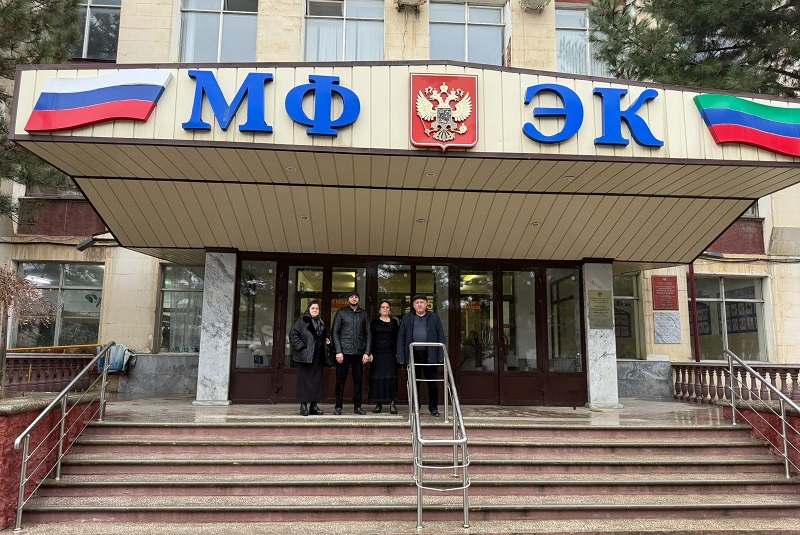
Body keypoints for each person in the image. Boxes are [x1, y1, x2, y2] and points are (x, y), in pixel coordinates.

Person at [396, 294, 446, 417]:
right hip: (413, 355)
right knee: (414, 382)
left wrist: (441, 355)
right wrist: (401, 357)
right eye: (417, 302)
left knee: (432, 383)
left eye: (422, 302)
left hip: (430, 354)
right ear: (413, 305)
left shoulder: (434, 317)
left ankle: (433, 408)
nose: (419, 304)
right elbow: (401, 338)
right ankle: (415, 407)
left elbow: (441, 336)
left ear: (426, 304)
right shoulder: (407, 318)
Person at [331, 290, 372, 415]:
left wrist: (367, 352)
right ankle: (338, 406)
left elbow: (368, 334)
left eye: (356, 297)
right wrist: (338, 351)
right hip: (343, 353)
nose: (354, 299)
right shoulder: (341, 312)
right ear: (348, 299)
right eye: (352, 297)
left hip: (359, 353)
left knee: (358, 381)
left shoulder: (364, 314)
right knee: (340, 380)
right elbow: (335, 332)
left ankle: (357, 406)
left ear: (359, 299)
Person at [288, 300, 329, 417]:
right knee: (304, 382)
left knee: (316, 382)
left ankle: (314, 406)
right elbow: (293, 335)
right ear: (308, 310)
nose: (315, 310)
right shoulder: (302, 321)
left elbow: (318, 337)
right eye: (313, 308)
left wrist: (325, 341)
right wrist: (302, 347)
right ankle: (303, 406)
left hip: (317, 357)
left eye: (317, 308)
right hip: (305, 357)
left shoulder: (321, 322)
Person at [368, 300, 400, 414]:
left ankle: (392, 404)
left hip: (391, 353)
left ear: (390, 310)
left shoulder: (394, 323)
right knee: (378, 378)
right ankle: (378, 404)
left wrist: (398, 353)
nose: (385, 309)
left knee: (392, 378)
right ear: (379, 310)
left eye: (387, 307)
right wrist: (369, 353)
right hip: (377, 354)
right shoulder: (374, 323)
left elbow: (397, 339)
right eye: (383, 307)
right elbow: (370, 338)